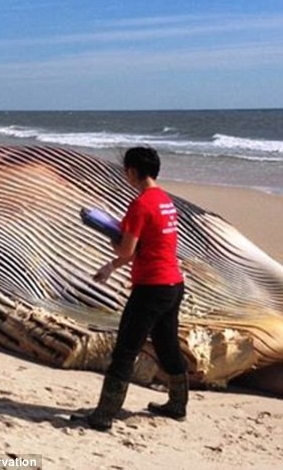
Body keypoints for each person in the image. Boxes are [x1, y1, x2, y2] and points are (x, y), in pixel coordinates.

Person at [78, 146, 188, 431]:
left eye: (125, 171)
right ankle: (177, 405)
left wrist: (109, 234)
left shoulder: (140, 205)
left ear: (132, 171)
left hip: (151, 287)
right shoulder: (165, 200)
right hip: (173, 284)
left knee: (126, 350)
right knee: (167, 346)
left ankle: (103, 415)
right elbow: (150, 244)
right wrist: (110, 267)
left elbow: (127, 251)